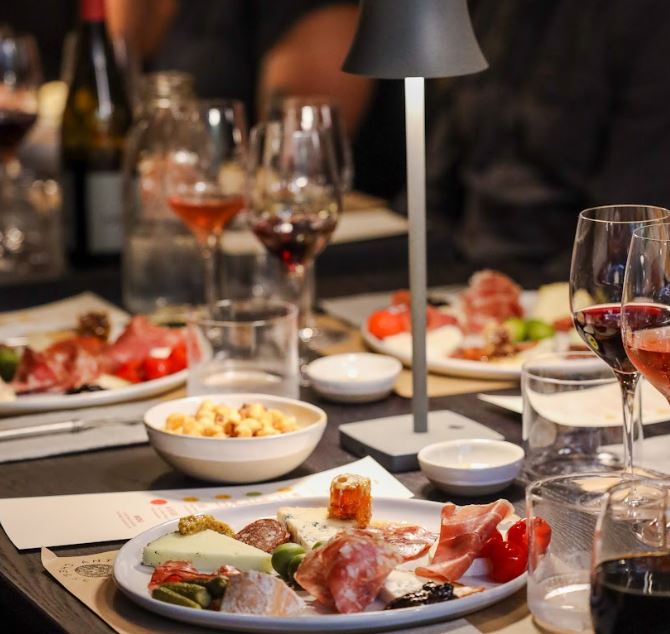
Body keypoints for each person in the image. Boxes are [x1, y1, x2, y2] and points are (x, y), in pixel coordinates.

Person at [420, 0, 670, 278]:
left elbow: (626, 223)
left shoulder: (646, 18)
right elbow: (437, 182)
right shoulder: (492, 10)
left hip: (564, 276)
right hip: (458, 261)